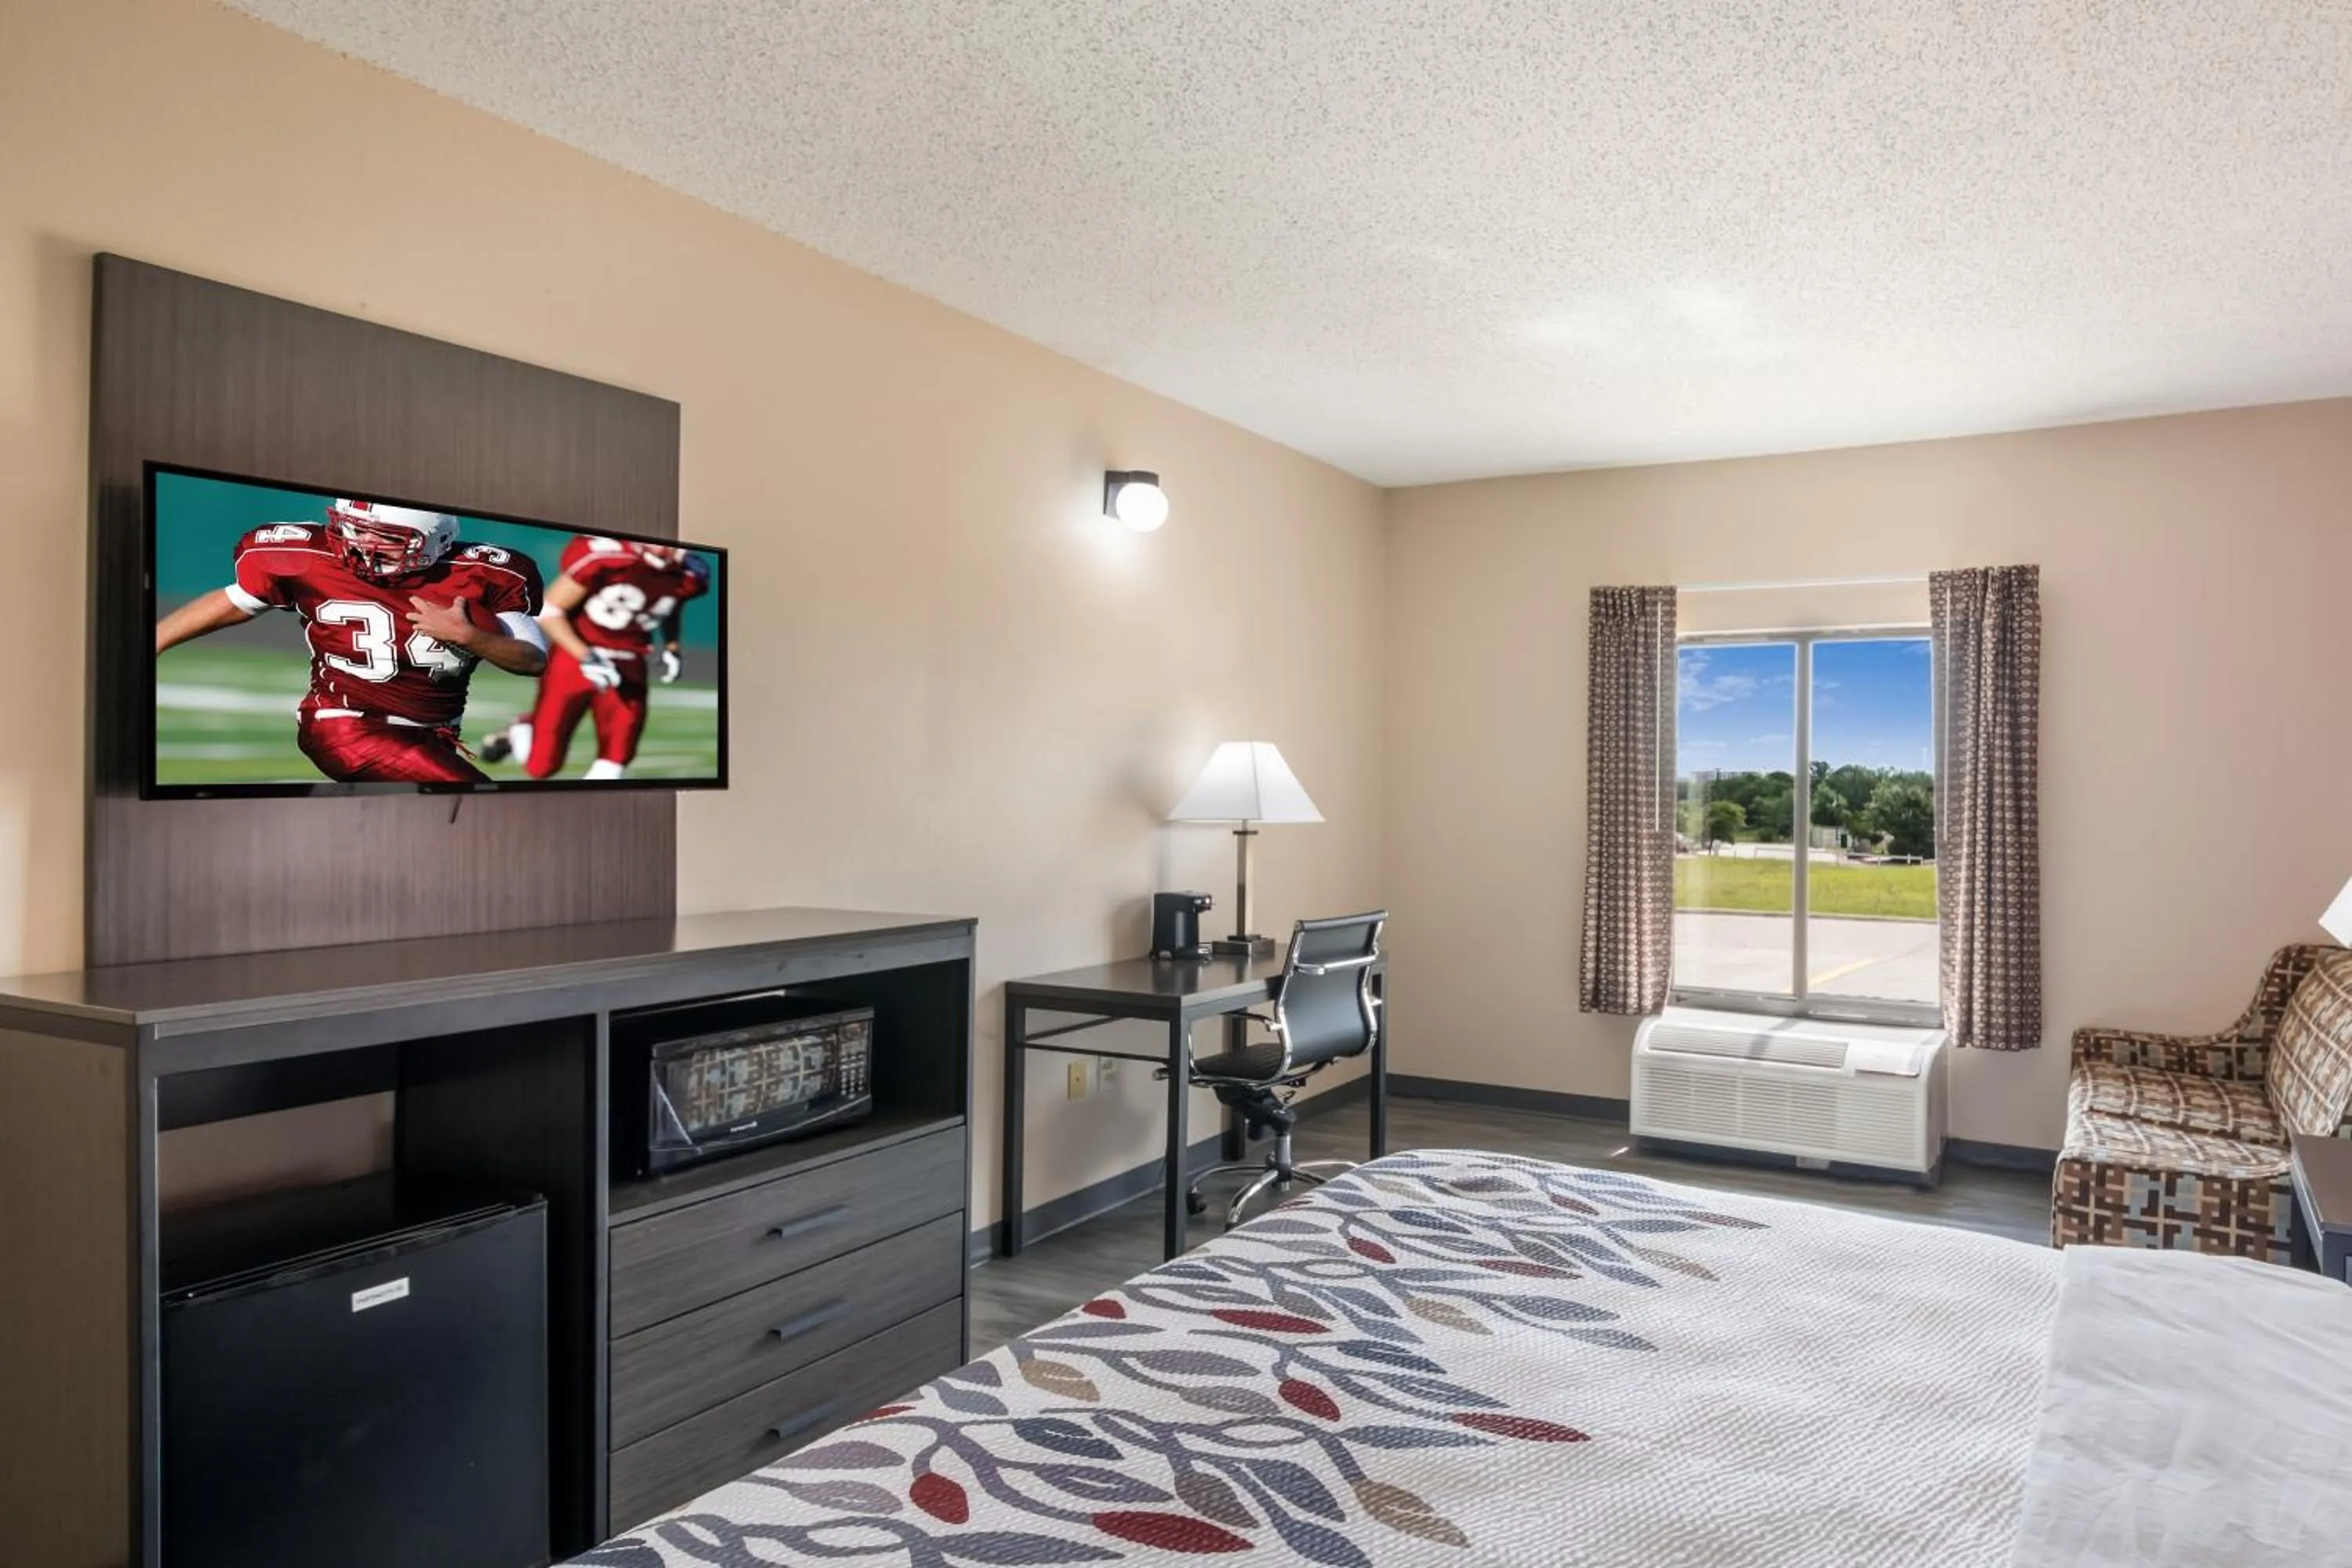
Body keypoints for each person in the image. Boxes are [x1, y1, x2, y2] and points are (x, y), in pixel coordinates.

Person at [154, 499, 547, 784]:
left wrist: (469, 637)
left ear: (435, 540)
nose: (361, 543)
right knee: (474, 796)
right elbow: (238, 600)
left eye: (385, 537)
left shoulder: (484, 574)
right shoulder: (308, 557)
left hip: (434, 734)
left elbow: (532, 660)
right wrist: (150, 642)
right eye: (354, 528)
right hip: (345, 727)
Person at [481, 535, 708, 782]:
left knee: (617, 760)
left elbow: (670, 605)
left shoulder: (690, 575)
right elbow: (549, 609)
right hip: (575, 658)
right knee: (542, 768)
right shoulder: (606, 558)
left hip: (629, 661)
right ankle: (521, 730)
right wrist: (587, 656)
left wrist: (672, 646)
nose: (677, 548)